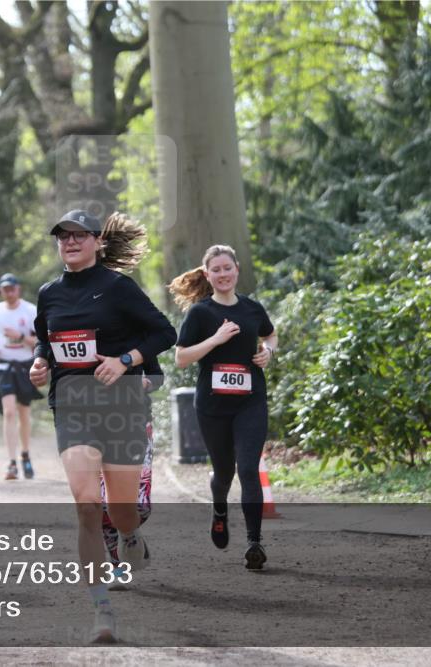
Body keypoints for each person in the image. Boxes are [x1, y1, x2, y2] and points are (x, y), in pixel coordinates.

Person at [30, 210, 176, 643]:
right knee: (87, 505)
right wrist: (40, 362)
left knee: (120, 510)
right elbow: (44, 338)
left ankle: (130, 533)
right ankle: (102, 611)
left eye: (79, 235)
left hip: (123, 408)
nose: (70, 242)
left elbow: (164, 333)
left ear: (97, 241)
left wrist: (125, 360)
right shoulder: (49, 293)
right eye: (63, 236)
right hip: (72, 407)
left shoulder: (118, 287)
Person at [171, 245, 278, 571]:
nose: (222, 274)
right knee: (224, 472)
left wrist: (268, 352)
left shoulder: (252, 308)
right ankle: (219, 507)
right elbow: (181, 358)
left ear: (236, 269)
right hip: (213, 406)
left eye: (227, 268)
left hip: (251, 401)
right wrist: (215, 339)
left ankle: (254, 542)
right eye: (215, 270)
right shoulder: (200, 313)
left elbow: (271, 335)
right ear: (207, 275)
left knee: (248, 469)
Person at [100, 358, 163, 590]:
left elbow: (157, 375)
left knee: (141, 505)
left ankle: (130, 532)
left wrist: (145, 383)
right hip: (95, 426)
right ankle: (117, 567)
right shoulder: (89, 342)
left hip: (137, 425)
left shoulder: (139, 344)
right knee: (103, 504)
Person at [0, 272, 43, 480]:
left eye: (12, 289)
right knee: (9, 412)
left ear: (18, 289)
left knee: (24, 413)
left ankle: (25, 454)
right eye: (5, 289)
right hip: (4, 365)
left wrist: (21, 337)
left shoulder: (30, 310)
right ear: (1, 291)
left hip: (25, 365)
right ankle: (11, 462)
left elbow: (40, 341)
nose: (9, 293)